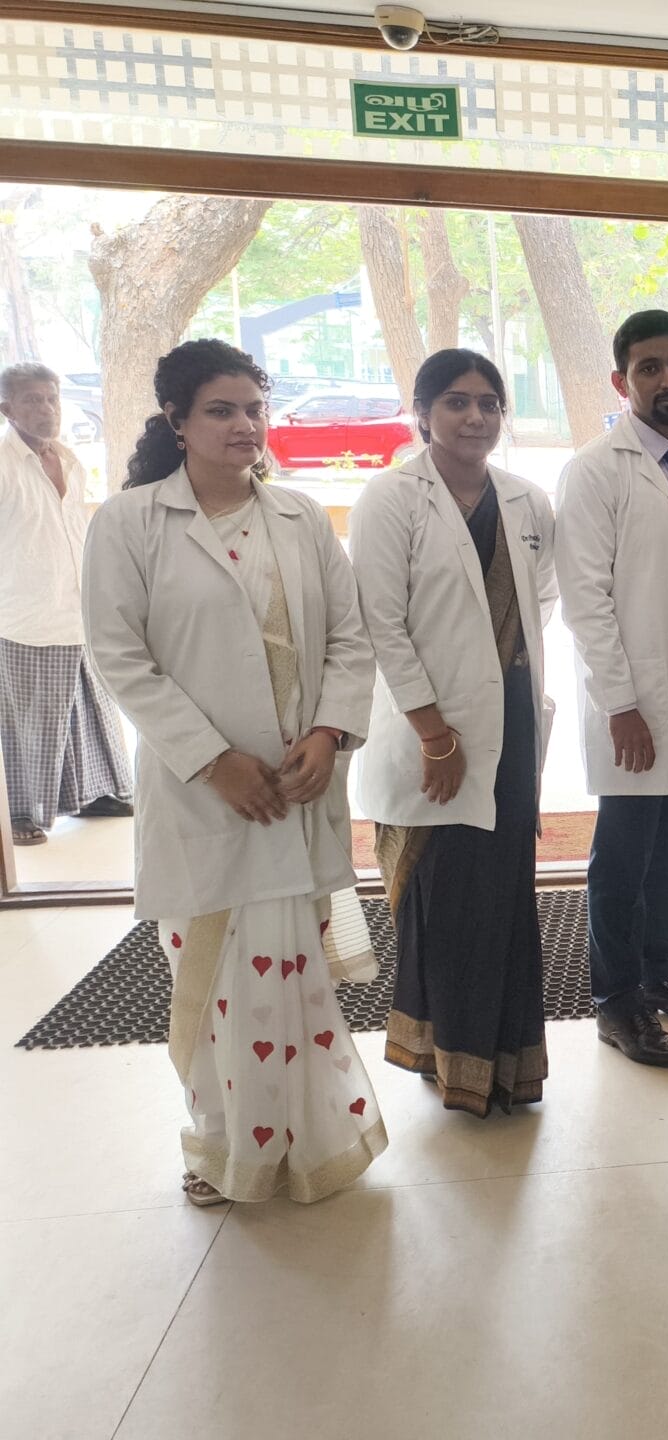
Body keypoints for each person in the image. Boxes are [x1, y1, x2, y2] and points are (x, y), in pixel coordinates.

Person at [82, 339, 383, 1204]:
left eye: (254, 408)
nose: (244, 425)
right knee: (216, 985)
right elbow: (120, 659)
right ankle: (223, 1147)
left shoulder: (299, 516)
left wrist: (329, 733)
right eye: (221, 410)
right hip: (204, 800)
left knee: (294, 980)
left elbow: (350, 639)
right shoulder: (129, 523)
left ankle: (311, 1142)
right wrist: (214, 763)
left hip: (298, 786)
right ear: (176, 420)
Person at [350, 349, 556, 1115]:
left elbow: (542, 598)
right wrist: (435, 733)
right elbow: (381, 622)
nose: (476, 417)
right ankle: (449, 1059)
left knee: (503, 899)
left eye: (489, 403)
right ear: (423, 413)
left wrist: (494, 667)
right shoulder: (392, 498)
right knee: (446, 901)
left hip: (511, 724)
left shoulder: (528, 501)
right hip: (428, 731)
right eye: (457, 403)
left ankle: (505, 1063)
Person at [557, 309, 668, 1067]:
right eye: (651, 368)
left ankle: (662, 973)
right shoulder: (595, 470)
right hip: (635, 690)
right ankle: (616, 999)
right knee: (623, 856)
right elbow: (585, 599)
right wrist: (621, 703)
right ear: (621, 380)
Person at [0, 362, 133, 846]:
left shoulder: (69, 459)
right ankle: (20, 813)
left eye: (52, 398)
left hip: (78, 605)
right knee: (29, 720)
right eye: (32, 400)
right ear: (7, 408)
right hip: (25, 613)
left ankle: (98, 793)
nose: (46, 409)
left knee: (90, 705)